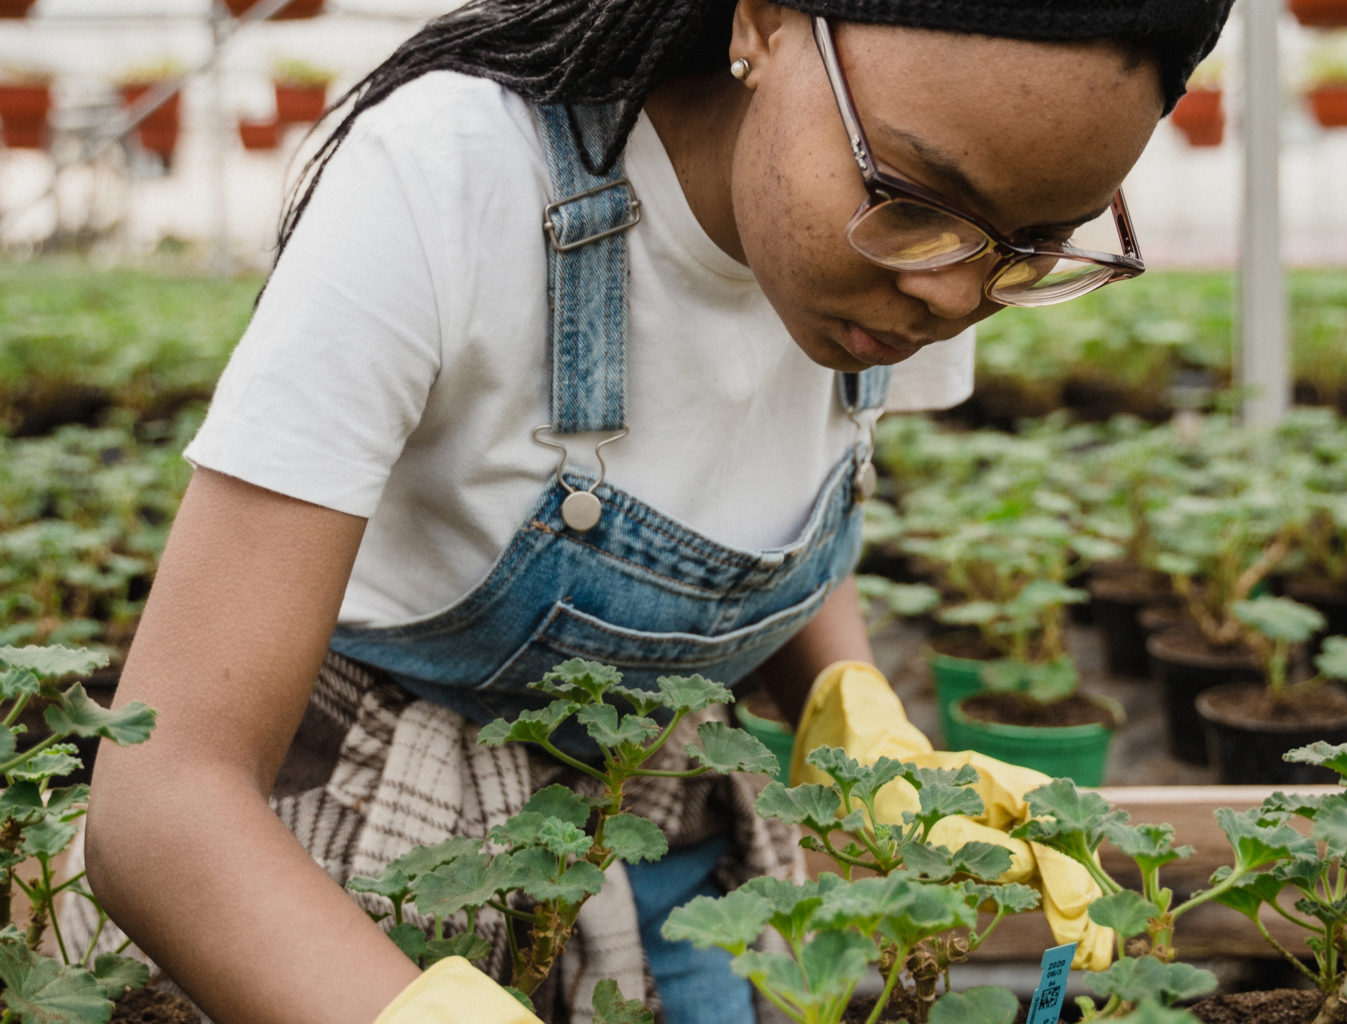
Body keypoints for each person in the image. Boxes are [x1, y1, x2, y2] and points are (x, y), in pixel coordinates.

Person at [74, 1, 1235, 1022]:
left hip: (676, 858)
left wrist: (854, 710)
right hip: (348, 900)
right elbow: (164, 800)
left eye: (1029, 248)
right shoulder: (449, 180)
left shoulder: (911, 280)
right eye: (914, 200)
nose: (953, 294)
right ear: (763, 22)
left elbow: (786, 482)